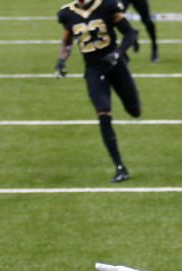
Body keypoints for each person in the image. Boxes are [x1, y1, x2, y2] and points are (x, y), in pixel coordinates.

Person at [54, 0, 141, 182]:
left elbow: (129, 33)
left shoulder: (107, 6)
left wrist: (118, 53)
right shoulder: (67, 14)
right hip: (94, 71)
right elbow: (67, 42)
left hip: (117, 67)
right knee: (103, 113)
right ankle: (120, 167)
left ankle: (120, 167)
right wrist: (61, 60)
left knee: (134, 111)